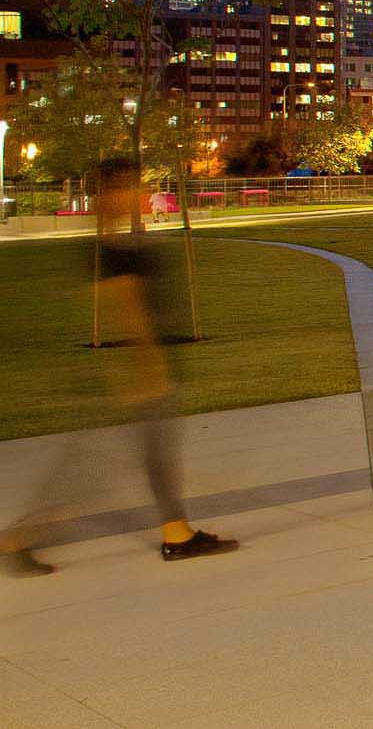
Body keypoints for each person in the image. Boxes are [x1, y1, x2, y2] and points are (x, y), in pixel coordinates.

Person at [2, 157, 241, 577]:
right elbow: (126, 309)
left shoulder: (118, 242)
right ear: (111, 193)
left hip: (143, 370)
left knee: (151, 457)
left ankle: (177, 533)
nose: (138, 193)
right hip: (140, 372)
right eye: (130, 186)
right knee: (90, 472)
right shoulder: (112, 250)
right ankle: (17, 540)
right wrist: (146, 368)